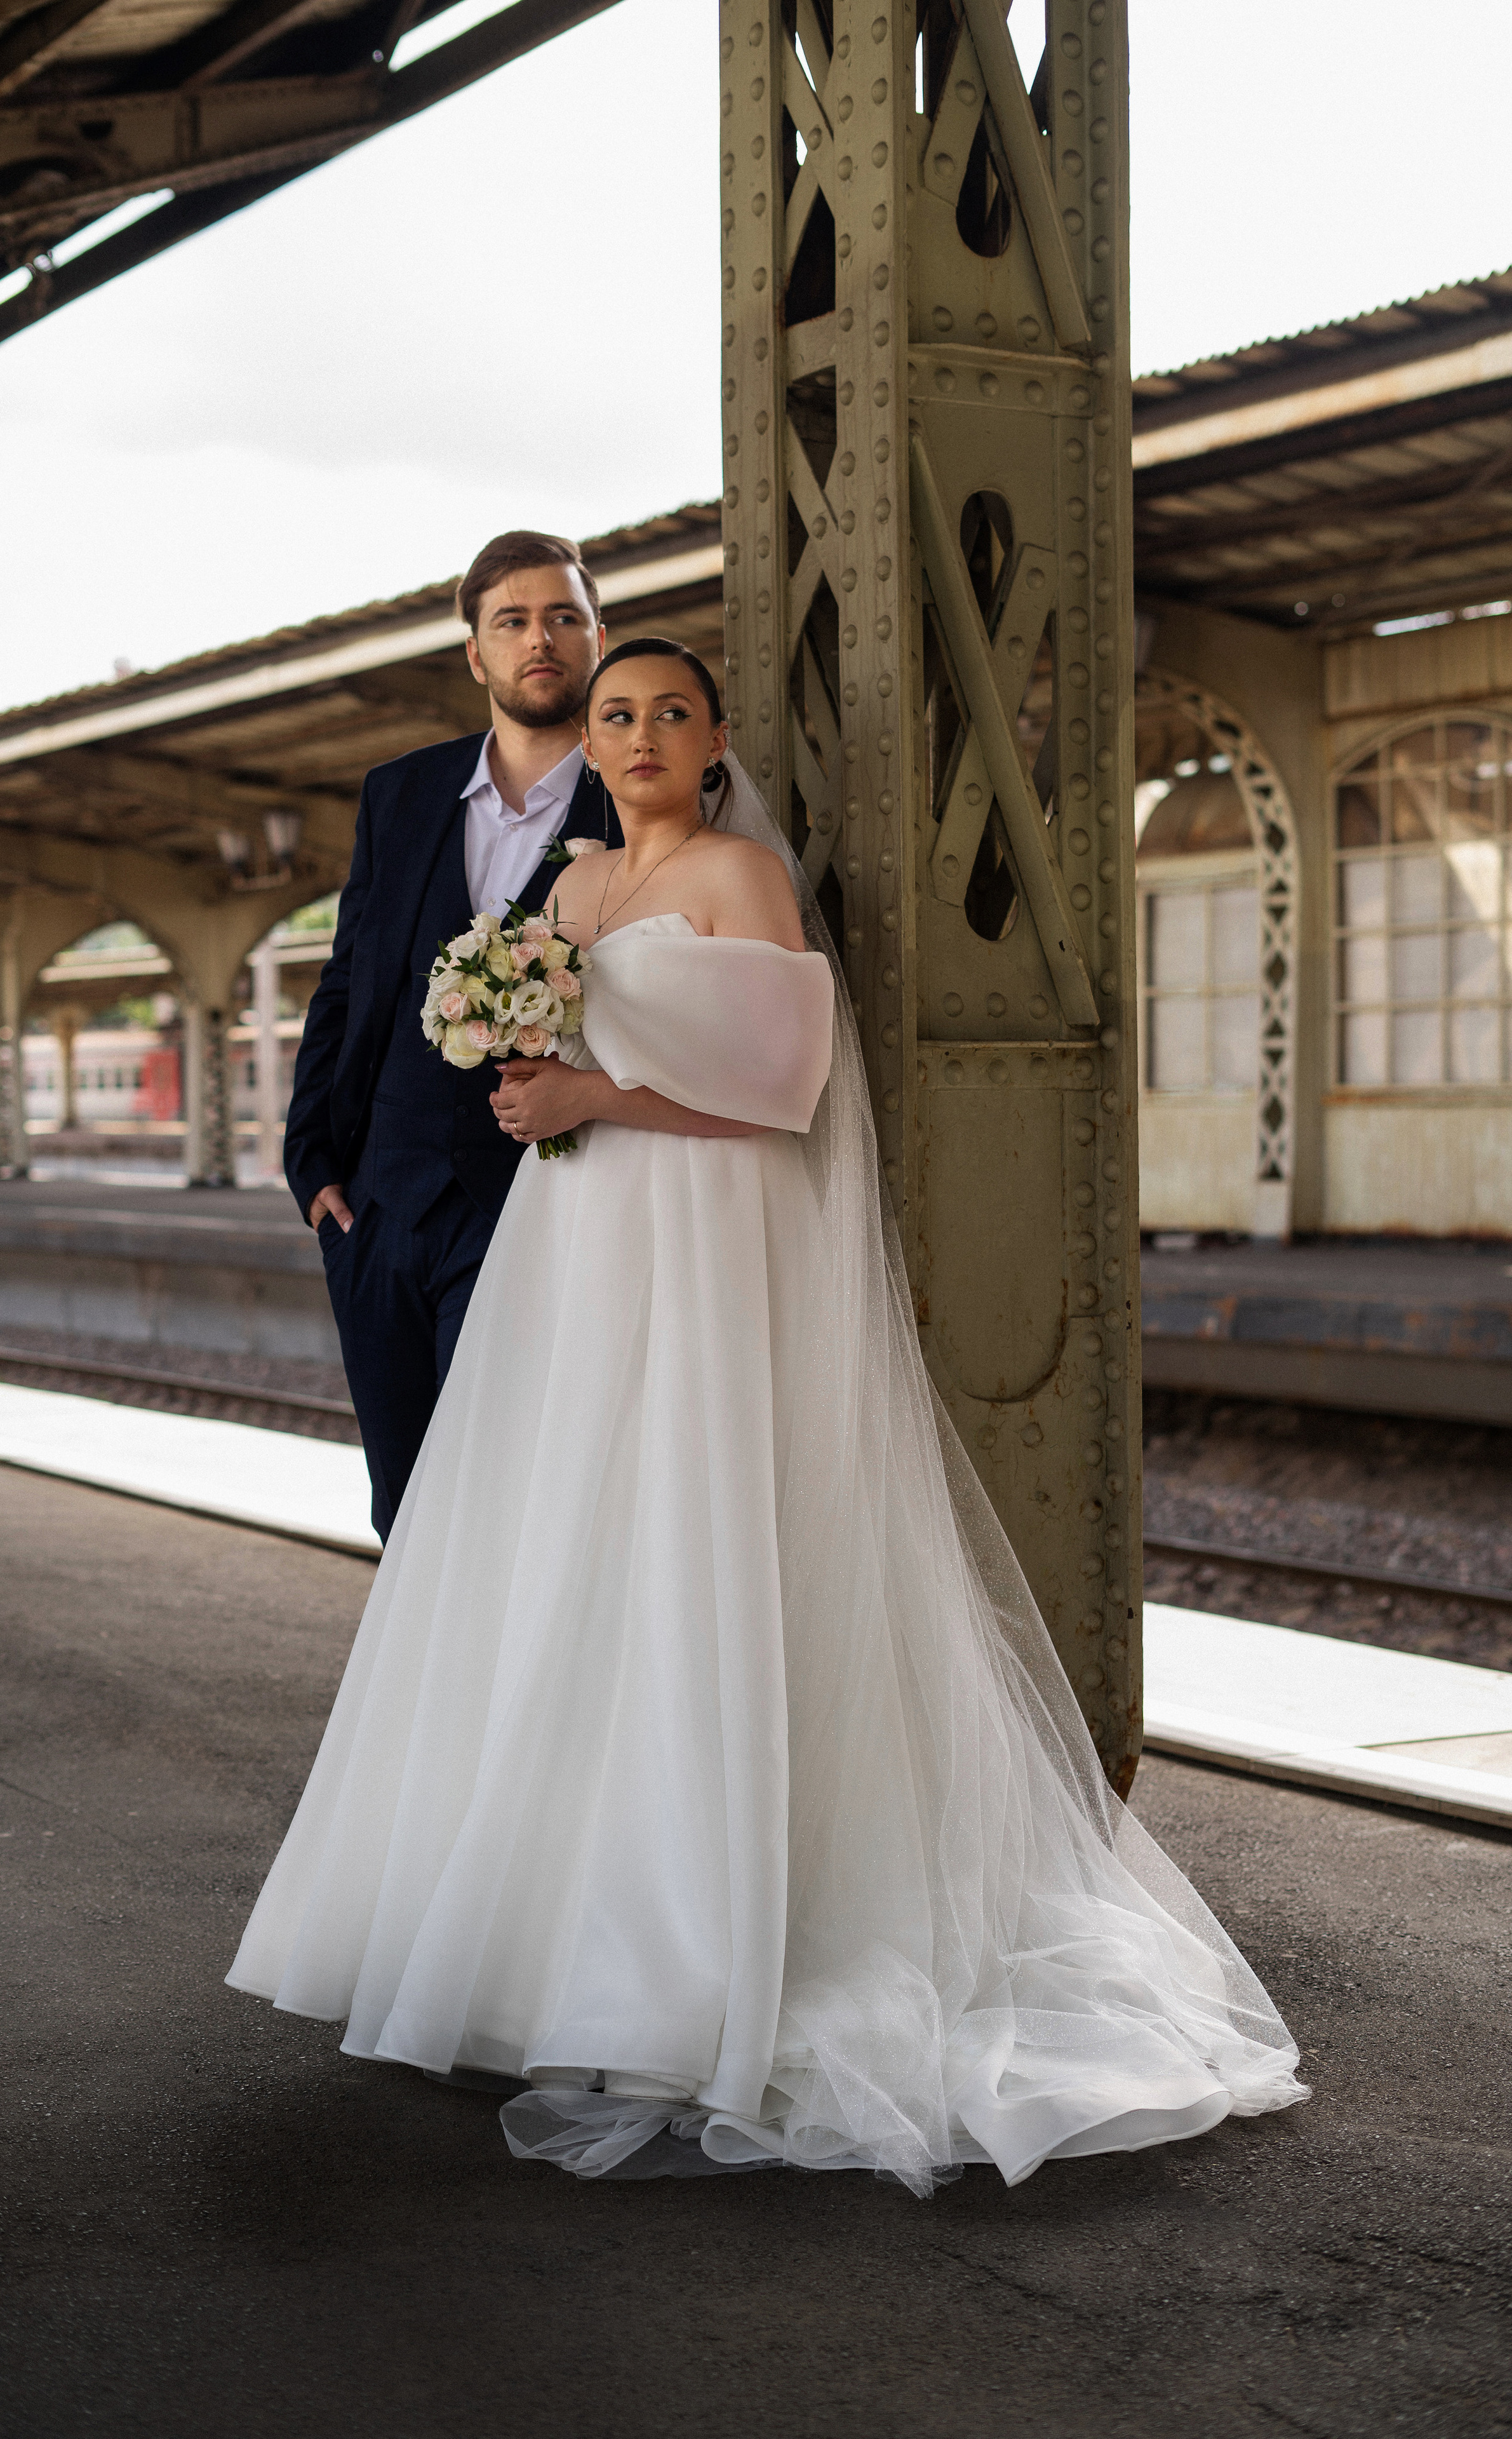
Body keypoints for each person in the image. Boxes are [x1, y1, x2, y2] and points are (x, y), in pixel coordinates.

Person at [230, 639, 1307, 2194]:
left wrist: (595, 1099)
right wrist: (528, 1073)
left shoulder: (741, 879)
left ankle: (709, 1945)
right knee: (567, 1552)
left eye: (673, 712)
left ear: (714, 736)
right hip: (577, 1250)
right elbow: (545, 1048)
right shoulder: (576, 890)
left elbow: (788, 1086)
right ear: (586, 746)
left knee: (695, 1530)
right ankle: (551, 1944)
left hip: (704, 1239)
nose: (644, 732)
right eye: (619, 715)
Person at [282, 531, 620, 1540]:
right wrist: (310, 1168)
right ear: (477, 654)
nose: (540, 639)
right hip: (379, 1208)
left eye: (564, 617)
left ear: (597, 638)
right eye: (512, 621)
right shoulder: (402, 792)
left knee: (510, 1497)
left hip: (545, 1201)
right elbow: (349, 980)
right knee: (406, 1504)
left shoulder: (639, 800)